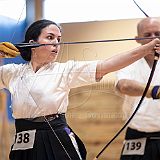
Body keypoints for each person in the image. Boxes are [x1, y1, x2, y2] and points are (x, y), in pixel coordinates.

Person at [0, 19, 160, 160]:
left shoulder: (65, 70)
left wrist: (146, 49)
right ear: (32, 43)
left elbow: (106, 66)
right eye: (50, 37)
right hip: (23, 138)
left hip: (55, 136)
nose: (56, 43)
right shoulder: (12, 72)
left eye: (59, 39)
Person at [116, 17, 160, 160]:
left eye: (158, 33)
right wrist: (155, 91)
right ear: (137, 39)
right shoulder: (129, 61)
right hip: (137, 134)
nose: (154, 38)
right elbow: (124, 86)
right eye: (147, 35)